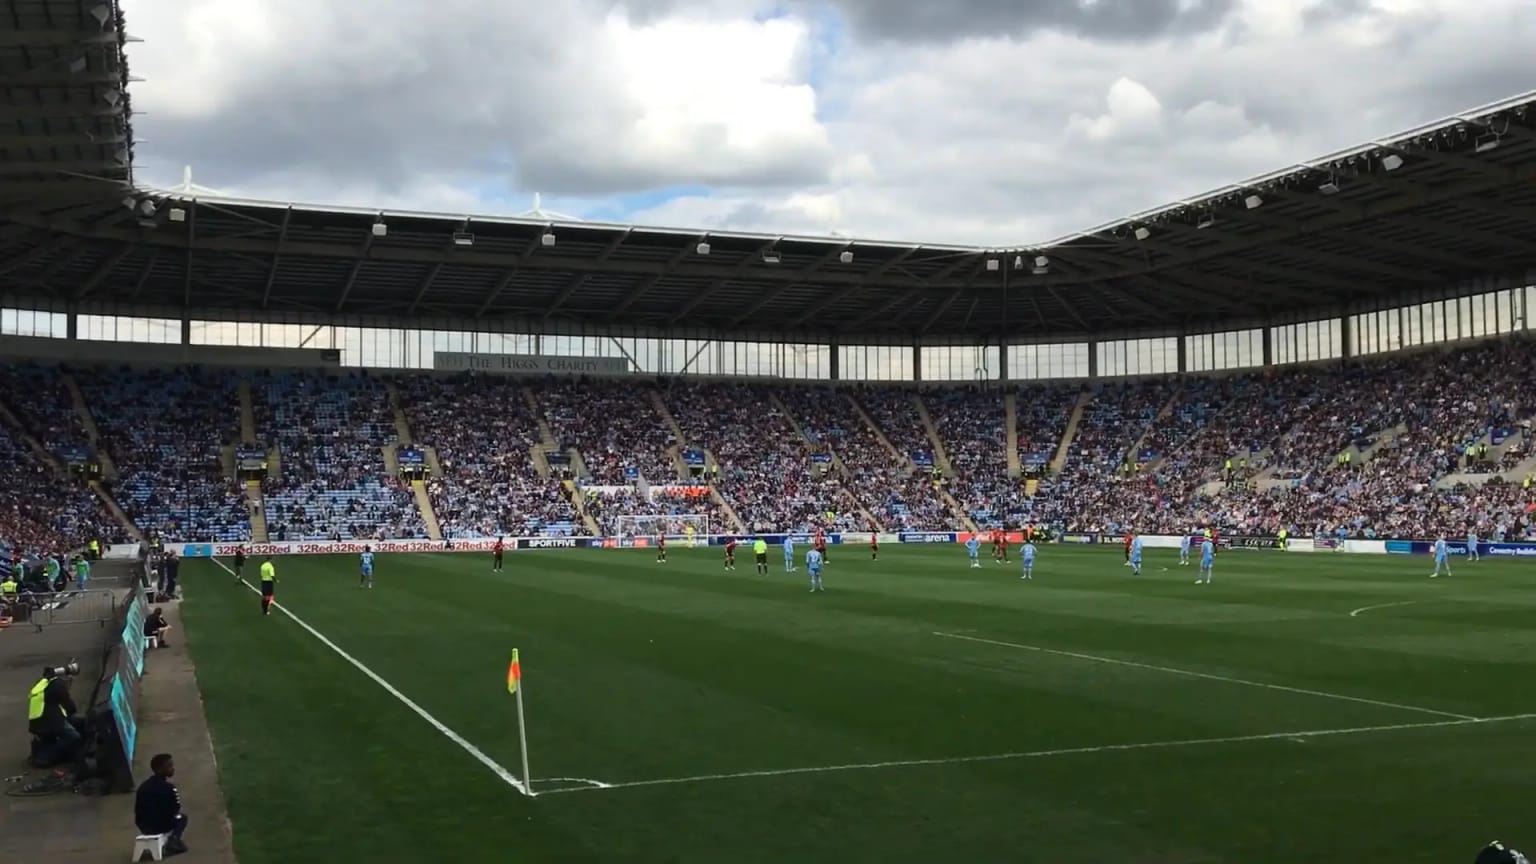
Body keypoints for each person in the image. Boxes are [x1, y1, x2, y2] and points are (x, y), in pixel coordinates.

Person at [135, 753, 188, 856]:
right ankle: (174, 839)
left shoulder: (143, 787)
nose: (173, 769)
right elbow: (175, 809)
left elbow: (138, 809)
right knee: (182, 818)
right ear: (159, 769)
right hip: (161, 826)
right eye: (169, 766)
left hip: (144, 826)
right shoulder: (169, 788)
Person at [27, 666, 81, 766]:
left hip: (36, 721)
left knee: (51, 737)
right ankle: (46, 757)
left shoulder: (42, 683)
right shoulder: (58, 685)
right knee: (74, 737)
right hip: (49, 722)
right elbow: (70, 706)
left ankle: (41, 752)